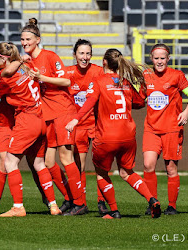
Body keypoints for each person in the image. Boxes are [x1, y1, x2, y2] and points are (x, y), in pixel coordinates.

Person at [66, 48, 161, 219]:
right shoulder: (125, 82)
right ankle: (152, 199)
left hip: (106, 136)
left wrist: (75, 120)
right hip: (128, 136)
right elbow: (140, 102)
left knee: (102, 172)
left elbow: (89, 102)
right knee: (126, 172)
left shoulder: (99, 81)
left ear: (104, 62)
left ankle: (114, 210)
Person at [21, 18, 85, 215]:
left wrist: (42, 78)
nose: (24, 43)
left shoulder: (49, 56)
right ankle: (68, 198)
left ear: (38, 40)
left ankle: (80, 203)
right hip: (47, 113)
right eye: (22, 39)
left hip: (63, 111)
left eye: (28, 39)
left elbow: (66, 80)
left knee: (66, 158)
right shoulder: (28, 60)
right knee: (49, 163)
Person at [0, 42, 61, 217]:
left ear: (2, 58)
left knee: (10, 162)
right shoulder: (27, 64)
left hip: (26, 120)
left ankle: (18, 206)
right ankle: (53, 205)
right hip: (40, 118)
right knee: (39, 164)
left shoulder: (7, 77)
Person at [143, 43, 188, 215]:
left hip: (172, 128)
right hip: (151, 128)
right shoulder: (146, 75)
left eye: (163, 58)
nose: (159, 61)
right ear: (151, 58)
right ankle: (153, 203)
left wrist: (186, 112)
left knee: (171, 168)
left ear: (168, 59)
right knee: (148, 165)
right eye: (156, 58)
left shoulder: (177, 75)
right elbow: (140, 97)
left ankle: (172, 206)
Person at [66, 39, 108, 214]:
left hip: (97, 125)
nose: (85, 57)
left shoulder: (98, 71)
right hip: (79, 126)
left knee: (101, 165)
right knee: (79, 165)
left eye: (88, 53)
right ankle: (80, 202)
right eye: (81, 53)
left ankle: (102, 202)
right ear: (75, 54)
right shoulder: (67, 73)